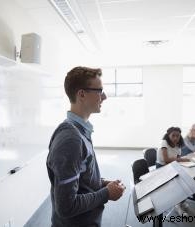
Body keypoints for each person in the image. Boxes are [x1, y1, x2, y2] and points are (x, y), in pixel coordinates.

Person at [46, 66, 125, 227]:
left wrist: (102, 183)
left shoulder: (80, 131)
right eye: (99, 90)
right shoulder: (71, 139)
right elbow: (67, 206)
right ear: (81, 94)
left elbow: (82, 177)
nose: (104, 96)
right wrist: (106, 193)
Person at [156, 127, 190, 216]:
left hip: (172, 167)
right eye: (173, 136)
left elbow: (177, 159)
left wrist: (181, 160)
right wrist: (181, 160)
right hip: (161, 168)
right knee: (178, 183)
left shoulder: (178, 145)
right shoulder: (164, 143)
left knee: (187, 179)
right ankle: (177, 205)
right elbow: (166, 160)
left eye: (177, 136)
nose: (175, 138)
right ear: (168, 135)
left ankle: (181, 201)